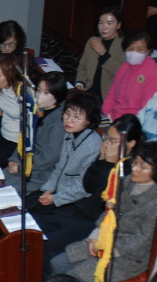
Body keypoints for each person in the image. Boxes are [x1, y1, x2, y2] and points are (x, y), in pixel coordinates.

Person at [50, 140, 157, 282]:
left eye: (143, 166)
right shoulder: (126, 181)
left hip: (126, 256)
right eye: (135, 162)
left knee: (73, 278)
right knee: (57, 263)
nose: (134, 168)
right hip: (103, 240)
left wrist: (106, 248)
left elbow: (142, 240)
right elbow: (108, 213)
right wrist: (94, 237)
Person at [41, 114, 143, 262]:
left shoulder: (131, 170)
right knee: (36, 227)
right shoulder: (107, 154)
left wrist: (109, 164)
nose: (107, 143)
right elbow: (88, 186)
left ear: (131, 143)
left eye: (113, 141)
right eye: (107, 138)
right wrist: (101, 160)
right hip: (78, 210)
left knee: (45, 246)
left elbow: (103, 197)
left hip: (93, 221)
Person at [29, 91, 102, 221]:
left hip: (74, 201)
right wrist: (48, 190)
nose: (69, 120)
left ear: (88, 121)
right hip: (57, 192)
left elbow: (83, 186)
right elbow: (60, 167)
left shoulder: (93, 146)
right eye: (67, 114)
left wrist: (56, 198)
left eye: (76, 117)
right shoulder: (70, 133)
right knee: (25, 205)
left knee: (35, 219)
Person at [4, 72, 69, 192]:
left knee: (3, 191)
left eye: (46, 93)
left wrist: (20, 166)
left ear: (57, 95)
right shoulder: (37, 109)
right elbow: (24, 137)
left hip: (39, 173)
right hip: (24, 162)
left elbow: (47, 158)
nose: (40, 95)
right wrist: (14, 159)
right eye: (38, 90)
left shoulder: (59, 122)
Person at [101, 29, 157, 121]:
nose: (134, 52)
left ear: (148, 51)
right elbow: (111, 96)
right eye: (130, 49)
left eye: (140, 49)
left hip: (134, 122)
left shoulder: (154, 73)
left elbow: (147, 109)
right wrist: (104, 115)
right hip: (113, 116)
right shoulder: (124, 67)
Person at [75, 7, 125, 101]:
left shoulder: (124, 45)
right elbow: (83, 66)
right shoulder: (93, 40)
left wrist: (103, 53)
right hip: (88, 90)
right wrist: (80, 82)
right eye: (101, 23)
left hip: (107, 97)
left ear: (118, 25)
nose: (104, 27)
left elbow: (121, 72)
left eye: (109, 23)